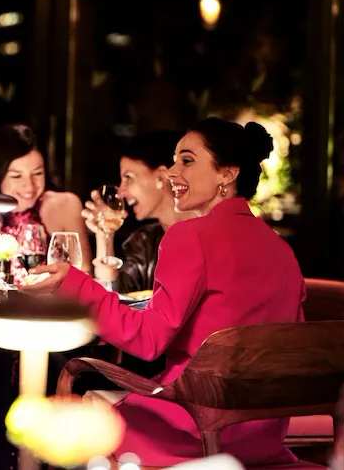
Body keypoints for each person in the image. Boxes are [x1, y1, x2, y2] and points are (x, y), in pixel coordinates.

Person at [24, 118, 306, 467]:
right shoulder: (280, 250)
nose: (171, 172)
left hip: (194, 432)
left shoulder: (190, 236)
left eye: (187, 160)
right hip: (261, 436)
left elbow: (147, 341)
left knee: (74, 414)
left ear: (226, 175)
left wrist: (73, 283)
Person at [0, 124, 91, 275]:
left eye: (37, 173)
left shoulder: (66, 205)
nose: (30, 186)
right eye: (16, 176)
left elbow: (85, 273)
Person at [82, 130, 193, 293]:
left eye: (128, 178)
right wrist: (104, 235)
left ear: (161, 177)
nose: (121, 192)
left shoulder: (211, 235)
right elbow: (113, 296)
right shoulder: (143, 243)